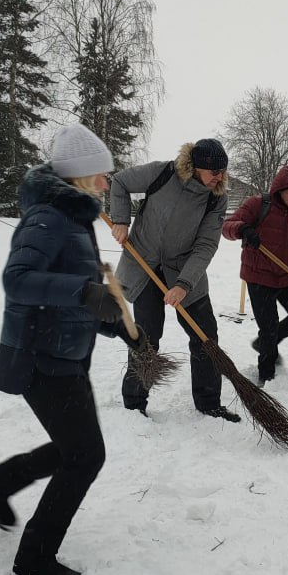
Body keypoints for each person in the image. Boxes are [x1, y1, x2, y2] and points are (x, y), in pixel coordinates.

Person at [0, 124, 143, 575]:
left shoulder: (74, 218)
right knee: (85, 456)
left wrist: (115, 323)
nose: (108, 184)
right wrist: (86, 293)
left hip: (63, 356)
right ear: (81, 177)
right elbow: (17, 279)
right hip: (40, 359)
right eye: (103, 176)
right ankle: (35, 559)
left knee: (73, 449)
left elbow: (73, 295)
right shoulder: (48, 217)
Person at [108, 139, 240, 421]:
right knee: (146, 337)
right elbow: (119, 182)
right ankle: (134, 403)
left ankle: (208, 402)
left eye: (223, 172)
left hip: (184, 269)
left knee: (205, 335)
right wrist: (120, 219)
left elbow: (206, 244)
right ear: (194, 167)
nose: (219, 178)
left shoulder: (216, 197)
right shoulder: (162, 173)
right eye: (213, 172)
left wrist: (183, 284)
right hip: (144, 265)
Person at [221, 165, 288, 384]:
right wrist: (243, 230)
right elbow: (227, 226)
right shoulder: (258, 204)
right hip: (259, 277)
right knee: (269, 328)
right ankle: (267, 375)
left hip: (287, 277)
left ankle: (266, 342)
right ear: (280, 189)